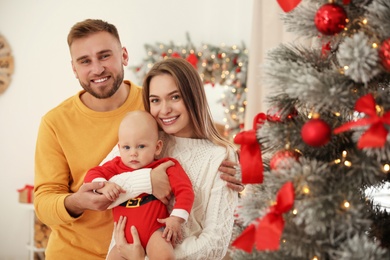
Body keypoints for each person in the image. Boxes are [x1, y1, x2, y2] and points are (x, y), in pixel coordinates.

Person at [34, 19, 243, 260]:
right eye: (85, 61)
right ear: (74, 68)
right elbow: (45, 202)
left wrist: (239, 172)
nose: (97, 69)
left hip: (144, 249)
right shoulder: (55, 122)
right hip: (80, 252)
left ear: (124, 55)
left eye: (104, 56)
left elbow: (200, 140)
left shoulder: (150, 106)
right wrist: (79, 201)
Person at [109, 57, 239, 260]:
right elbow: (100, 192)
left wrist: (146, 257)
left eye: (175, 97)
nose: (164, 109)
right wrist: (148, 181)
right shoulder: (142, 140)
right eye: (155, 100)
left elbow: (215, 245)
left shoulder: (220, 156)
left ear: (192, 97)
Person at [84, 110, 194, 260]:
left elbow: (185, 191)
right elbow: (91, 175)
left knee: (165, 256)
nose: (133, 153)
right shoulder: (114, 166)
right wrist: (103, 185)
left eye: (141, 146)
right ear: (119, 147)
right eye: (127, 147)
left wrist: (176, 218)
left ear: (157, 147)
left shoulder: (166, 166)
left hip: (155, 232)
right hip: (122, 239)